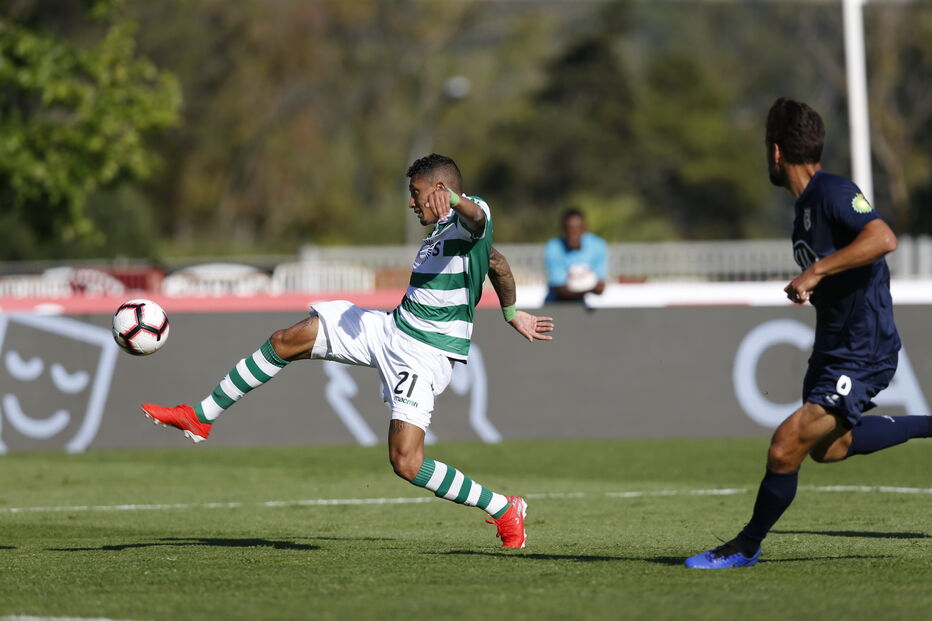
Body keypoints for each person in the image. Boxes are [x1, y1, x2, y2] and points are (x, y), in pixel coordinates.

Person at [142, 154, 555, 549]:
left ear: (440, 189)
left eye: (415, 192)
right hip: (390, 328)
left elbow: (479, 219)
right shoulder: (440, 237)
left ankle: (504, 508)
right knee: (287, 340)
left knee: (406, 462)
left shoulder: (471, 215)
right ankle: (201, 416)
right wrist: (511, 312)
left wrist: (456, 202)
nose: (411, 202)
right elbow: (497, 263)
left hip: (424, 354)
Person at [685, 98, 931, 569]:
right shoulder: (805, 209)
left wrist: (815, 271)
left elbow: (883, 239)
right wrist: (817, 286)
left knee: (785, 445)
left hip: (864, 348)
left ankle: (745, 545)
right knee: (829, 448)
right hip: (834, 347)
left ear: (775, 153)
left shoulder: (833, 191)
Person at [544, 209, 608, 302]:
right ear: (563, 229)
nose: (573, 234)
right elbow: (560, 289)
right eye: (569, 229)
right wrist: (588, 285)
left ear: (585, 229)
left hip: (582, 306)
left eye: (577, 228)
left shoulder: (598, 245)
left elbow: (600, 288)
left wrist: (576, 284)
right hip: (556, 303)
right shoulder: (553, 247)